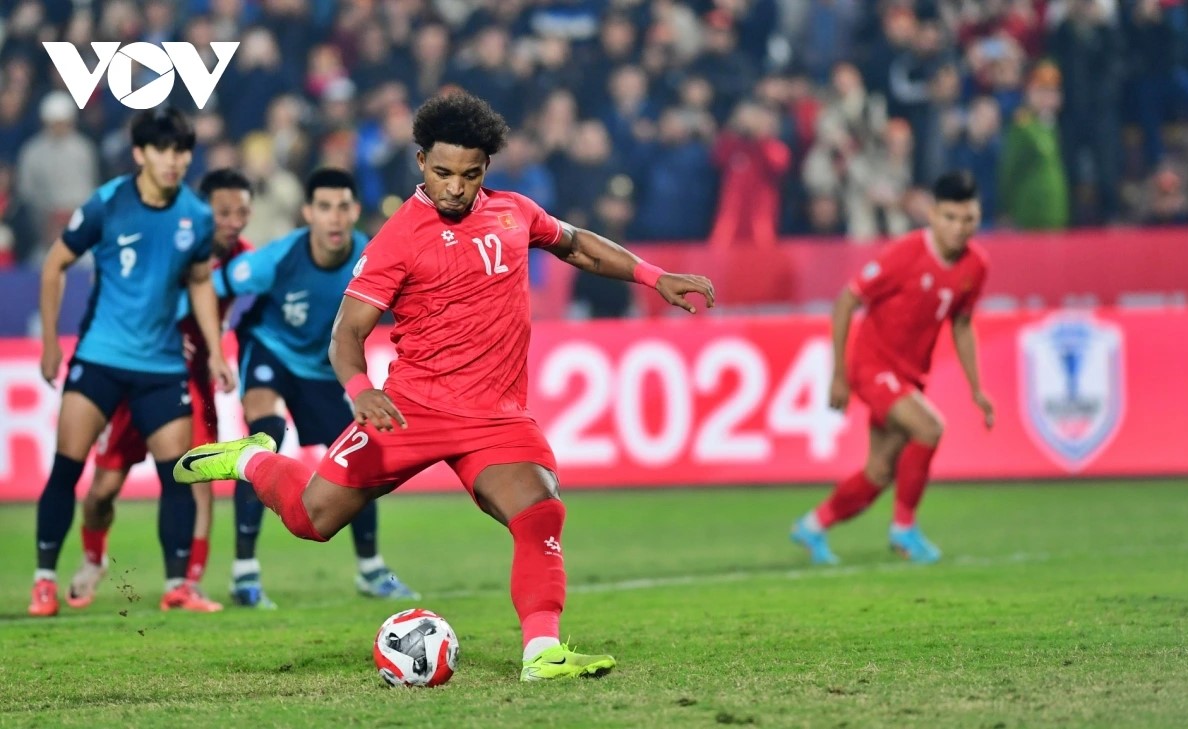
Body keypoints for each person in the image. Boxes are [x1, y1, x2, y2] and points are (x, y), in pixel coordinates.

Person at [174, 92, 715, 681]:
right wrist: (360, 389)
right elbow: (346, 333)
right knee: (312, 520)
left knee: (540, 513)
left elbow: (577, 244)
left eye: (469, 174)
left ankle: (541, 653)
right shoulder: (398, 238)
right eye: (442, 173)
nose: (455, 188)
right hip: (411, 409)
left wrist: (653, 276)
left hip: (497, 417)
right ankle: (252, 459)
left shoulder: (514, 212)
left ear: (486, 168)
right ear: (420, 162)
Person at [30, 107, 235, 617]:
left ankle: (177, 586)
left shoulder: (196, 215)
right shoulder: (108, 203)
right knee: (68, 470)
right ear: (141, 153)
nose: (174, 160)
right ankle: (44, 581)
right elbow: (55, 264)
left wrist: (214, 351)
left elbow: (199, 282)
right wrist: (51, 343)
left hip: (161, 367)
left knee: (178, 477)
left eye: (182, 151)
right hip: (99, 359)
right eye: (164, 150)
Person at [216, 167, 416, 607]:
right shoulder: (279, 256)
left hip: (321, 371)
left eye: (343, 207)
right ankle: (244, 574)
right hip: (269, 351)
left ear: (355, 211)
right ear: (308, 213)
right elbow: (213, 283)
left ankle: (371, 570)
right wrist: (208, 344)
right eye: (324, 207)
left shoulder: (372, 257)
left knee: (363, 456)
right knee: (265, 438)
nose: (334, 218)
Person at [65, 168, 255, 612]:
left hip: (195, 382)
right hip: (139, 374)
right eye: (224, 212)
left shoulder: (245, 257)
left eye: (242, 212)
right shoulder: (172, 242)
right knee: (103, 488)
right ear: (203, 211)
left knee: (199, 478)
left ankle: (186, 582)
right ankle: (93, 558)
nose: (234, 222)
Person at [791, 171, 994, 565]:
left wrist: (977, 389)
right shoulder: (905, 254)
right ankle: (904, 529)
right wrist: (839, 375)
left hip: (911, 374)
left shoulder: (976, 265)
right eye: (950, 218)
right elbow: (846, 301)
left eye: (968, 219)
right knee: (929, 428)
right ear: (932, 215)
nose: (959, 228)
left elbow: (962, 324)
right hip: (873, 366)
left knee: (880, 471)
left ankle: (813, 526)